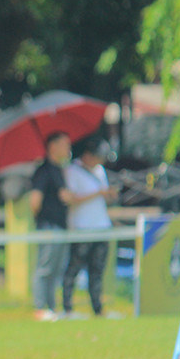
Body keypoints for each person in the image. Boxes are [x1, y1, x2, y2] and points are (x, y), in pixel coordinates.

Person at [61, 136, 119, 318]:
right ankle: (67, 307)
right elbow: (71, 199)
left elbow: (104, 196)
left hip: (101, 226)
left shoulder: (100, 171)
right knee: (74, 268)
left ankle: (97, 308)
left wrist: (109, 195)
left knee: (97, 270)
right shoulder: (72, 171)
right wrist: (97, 193)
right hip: (81, 227)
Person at [28, 131, 73, 322]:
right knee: (44, 268)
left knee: (56, 269)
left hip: (60, 226)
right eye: (65, 144)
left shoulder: (58, 170)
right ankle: (40, 307)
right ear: (53, 146)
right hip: (48, 226)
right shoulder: (44, 170)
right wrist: (42, 219)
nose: (68, 149)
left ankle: (52, 308)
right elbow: (34, 200)